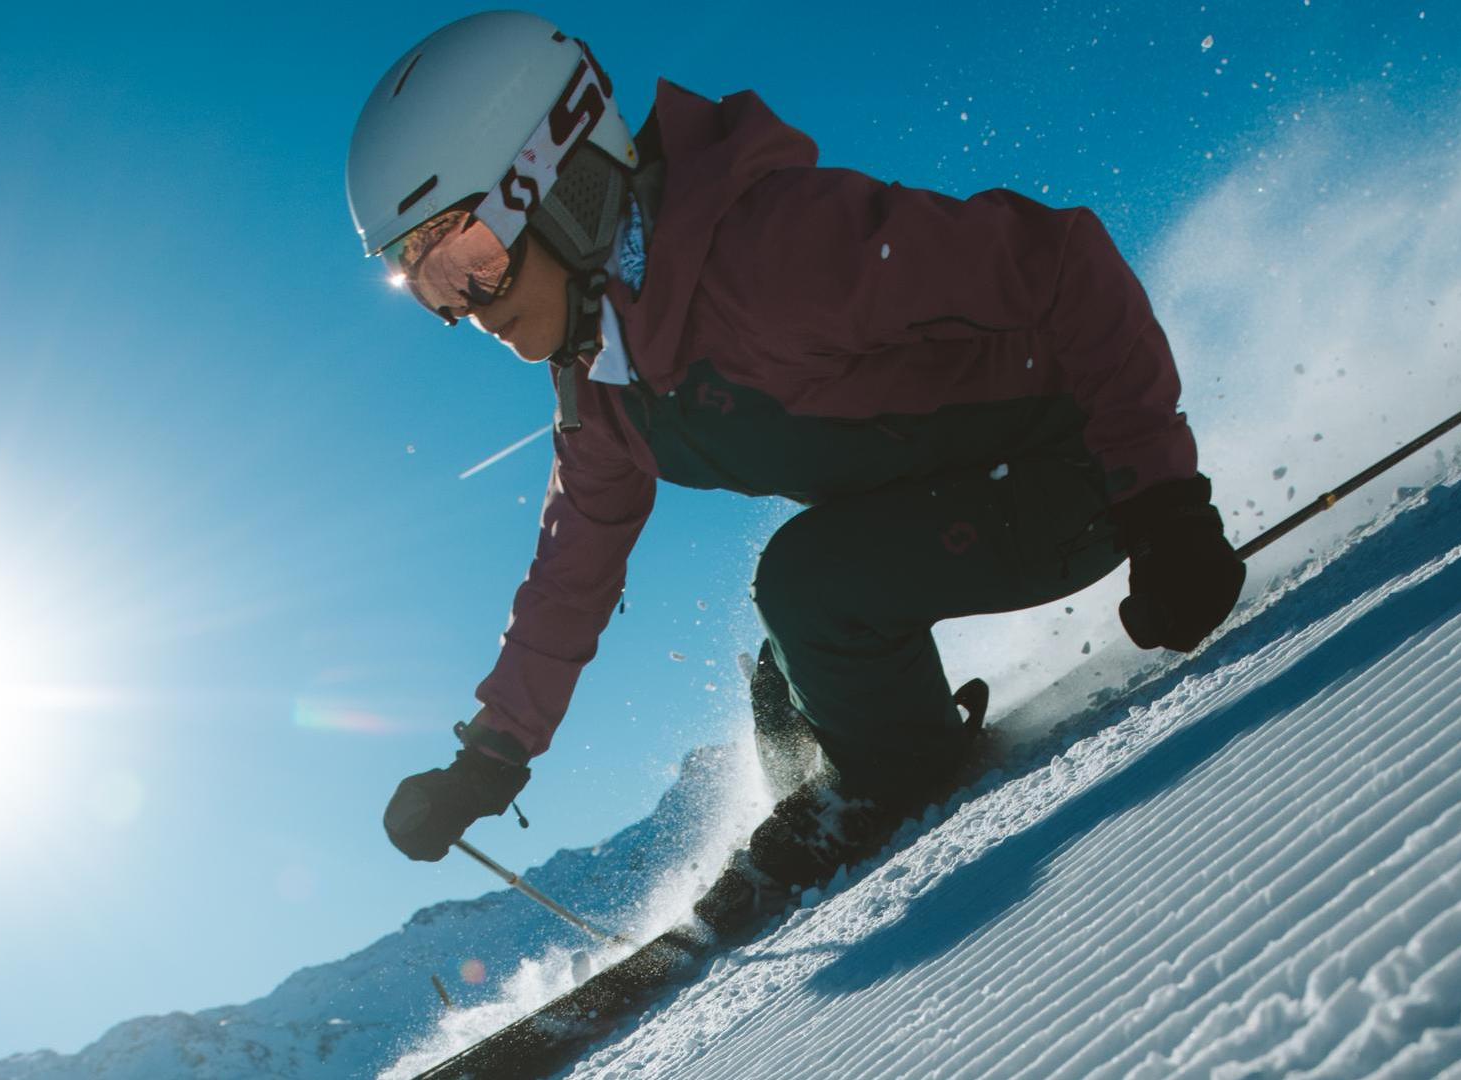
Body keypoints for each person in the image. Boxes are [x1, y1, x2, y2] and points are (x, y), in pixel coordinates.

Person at [353, 11, 1243, 925]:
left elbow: (1062, 264)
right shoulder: (603, 387)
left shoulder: (771, 253)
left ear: (559, 186)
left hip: (1087, 469)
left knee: (804, 587)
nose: (466, 310)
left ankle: (889, 783)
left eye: (471, 258)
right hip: (963, 494)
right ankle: (837, 795)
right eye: (427, 286)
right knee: (784, 684)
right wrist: (490, 756)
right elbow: (568, 574)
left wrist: (1167, 503)